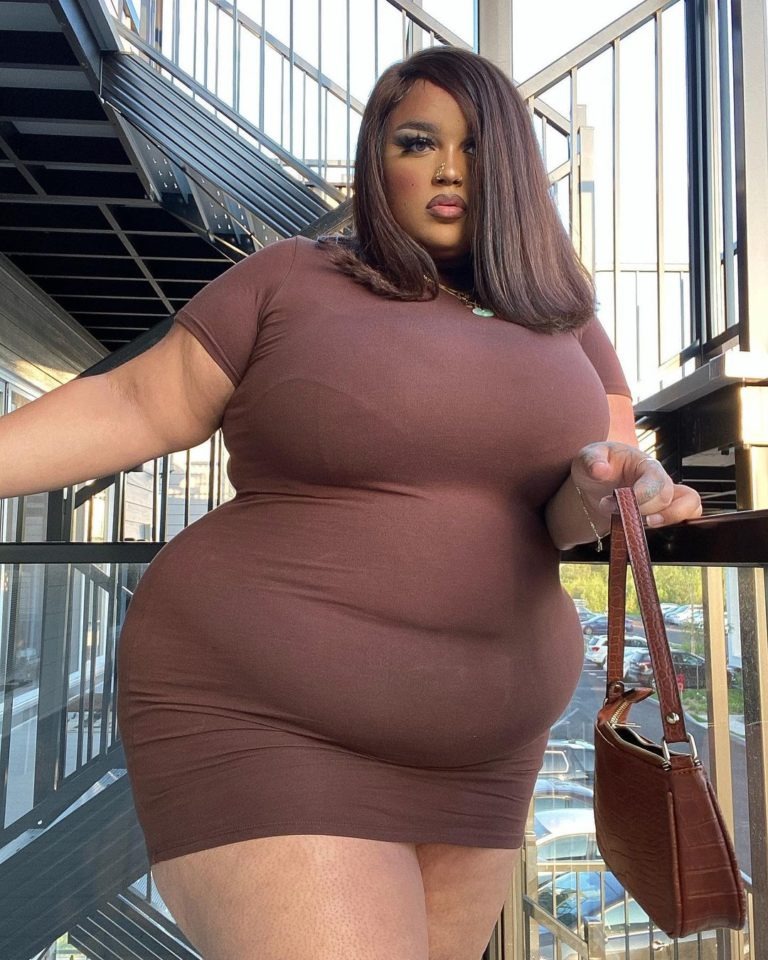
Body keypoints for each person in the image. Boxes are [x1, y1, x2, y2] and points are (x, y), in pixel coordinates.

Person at [4, 46, 702, 960]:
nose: (449, 169)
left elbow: (582, 505)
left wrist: (622, 490)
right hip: (267, 719)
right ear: (379, 158)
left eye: (477, 147)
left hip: (488, 755)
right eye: (419, 142)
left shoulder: (567, 322)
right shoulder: (292, 276)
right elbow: (135, 404)